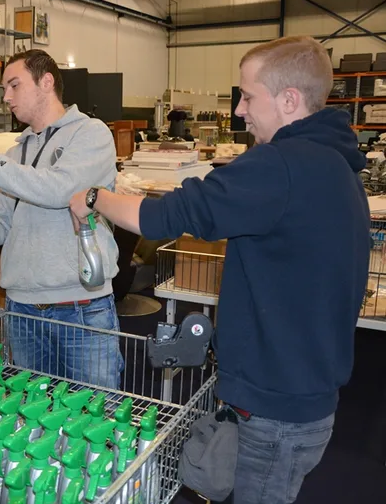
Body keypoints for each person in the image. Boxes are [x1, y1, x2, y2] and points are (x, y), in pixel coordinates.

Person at [69, 36, 369, 504]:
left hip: (276, 404)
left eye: (248, 96)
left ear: (289, 100)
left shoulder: (281, 165)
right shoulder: (335, 164)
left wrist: (94, 197)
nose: (240, 110)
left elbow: (164, 217)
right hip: (304, 391)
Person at [0, 49, 123, 389]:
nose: (6, 97)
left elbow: (60, 191)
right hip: (23, 312)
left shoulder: (91, 134)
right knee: (34, 414)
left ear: (46, 82)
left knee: (93, 413)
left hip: (81, 308)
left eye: (14, 85)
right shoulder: (14, 154)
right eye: (4, 88)